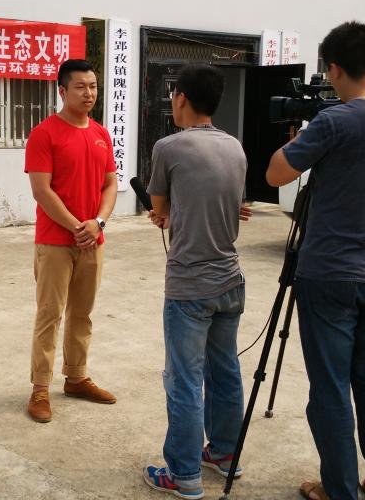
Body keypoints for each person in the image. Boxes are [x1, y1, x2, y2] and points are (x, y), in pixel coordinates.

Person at [266, 21, 365, 500]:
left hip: (329, 272)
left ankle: (339, 489)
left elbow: (276, 174)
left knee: (331, 388)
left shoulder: (336, 122)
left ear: (334, 69)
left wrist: (299, 137)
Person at [142, 63, 250, 499]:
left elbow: (161, 210)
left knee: (184, 380)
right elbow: (227, 204)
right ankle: (225, 453)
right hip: (231, 280)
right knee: (225, 371)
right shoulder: (235, 148)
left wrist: (164, 214)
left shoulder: (169, 147)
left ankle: (184, 474)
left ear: (181, 98)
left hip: (190, 285)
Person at [23, 59, 119, 423]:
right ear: (62, 91)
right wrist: (77, 226)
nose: (88, 93)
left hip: (93, 241)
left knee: (82, 314)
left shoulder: (101, 133)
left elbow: (110, 184)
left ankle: (76, 377)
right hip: (55, 243)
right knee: (50, 314)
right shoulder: (44, 134)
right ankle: (40, 388)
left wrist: (98, 222)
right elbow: (41, 190)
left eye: (93, 86)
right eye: (80, 87)